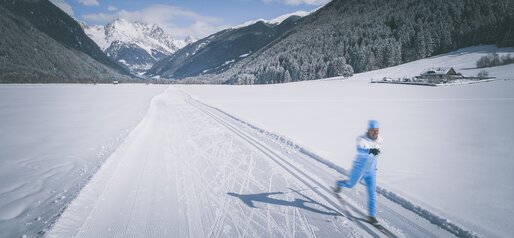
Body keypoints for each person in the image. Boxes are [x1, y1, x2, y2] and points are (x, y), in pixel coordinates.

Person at [333, 120, 382, 225]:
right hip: (359, 169)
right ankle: (339, 184)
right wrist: (369, 151)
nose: (376, 133)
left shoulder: (380, 139)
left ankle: (371, 216)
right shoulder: (361, 139)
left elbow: (376, 156)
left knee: (371, 193)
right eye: (373, 131)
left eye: (377, 130)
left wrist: (375, 166)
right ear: (368, 130)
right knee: (350, 184)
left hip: (371, 172)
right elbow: (360, 150)